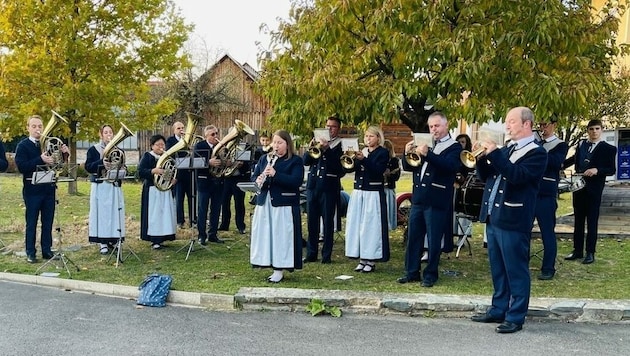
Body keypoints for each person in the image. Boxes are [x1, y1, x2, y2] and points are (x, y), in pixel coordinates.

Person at [471, 107, 547, 334]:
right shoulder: (507, 149)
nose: (507, 126)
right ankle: (499, 308)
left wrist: (494, 154)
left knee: (516, 269)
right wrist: (482, 158)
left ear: (527, 124)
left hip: (514, 218)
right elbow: (487, 176)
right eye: (507, 122)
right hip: (494, 217)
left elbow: (517, 176)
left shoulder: (537, 153)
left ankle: (515, 316)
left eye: (512, 122)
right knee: (498, 268)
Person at [397, 112, 462, 288]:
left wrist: (428, 154)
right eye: (431, 126)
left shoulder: (454, 147)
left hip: (437, 199)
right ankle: (411, 272)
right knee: (414, 237)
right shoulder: (424, 144)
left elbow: (450, 167)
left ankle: (431, 274)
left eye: (437, 126)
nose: (434, 130)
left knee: (434, 240)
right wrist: (406, 153)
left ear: (446, 125)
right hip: (419, 198)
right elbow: (409, 167)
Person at [250, 130, 304, 283]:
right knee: (267, 235)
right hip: (265, 203)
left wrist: (275, 174)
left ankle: (279, 269)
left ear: (287, 144)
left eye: (280, 143)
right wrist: (259, 180)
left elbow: (296, 181)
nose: (276, 146)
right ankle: (267, 261)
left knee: (281, 237)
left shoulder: (295, 161)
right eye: (275, 142)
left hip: (283, 205)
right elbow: (254, 176)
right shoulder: (264, 159)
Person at [14, 114, 69, 263]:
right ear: (28, 128)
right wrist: (40, 159)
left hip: (49, 189)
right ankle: (30, 252)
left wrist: (64, 155)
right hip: (32, 191)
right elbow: (22, 167)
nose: (37, 129)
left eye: (40, 126)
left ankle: (47, 250)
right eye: (34, 126)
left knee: (48, 222)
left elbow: (58, 167)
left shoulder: (49, 144)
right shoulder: (23, 145)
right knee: (31, 223)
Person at [562, 119, 617, 264]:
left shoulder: (609, 149)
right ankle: (577, 250)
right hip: (578, 187)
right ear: (588, 131)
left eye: (597, 129)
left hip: (594, 189)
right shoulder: (581, 145)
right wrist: (558, 165)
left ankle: (590, 252)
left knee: (592, 221)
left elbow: (611, 170)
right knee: (578, 220)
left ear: (601, 130)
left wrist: (597, 170)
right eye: (591, 129)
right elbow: (574, 160)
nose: (594, 132)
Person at [344, 125, 390, 273]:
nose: (368, 139)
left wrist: (363, 160)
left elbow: (378, 170)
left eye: (371, 136)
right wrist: (350, 158)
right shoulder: (362, 151)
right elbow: (350, 169)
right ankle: (361, 258)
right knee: (357, 225)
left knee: (371, 226)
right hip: (359, 191)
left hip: (373, 192)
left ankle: (371, 258)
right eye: (366, 136)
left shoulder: (382, 153)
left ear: (378, 138)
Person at [303, 116, 345, 264]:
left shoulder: (341, 145)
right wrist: (311, 148)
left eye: (333, 126)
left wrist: (327, 149)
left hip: (329, 187)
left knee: (328, 222)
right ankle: (311, 253)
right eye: (327, 126)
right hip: (313, 186)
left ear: (338, 129)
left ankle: (326, 255)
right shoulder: (317, 142)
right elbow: (306, 161)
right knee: (312, 221)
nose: (329, 129)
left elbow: (340, 169)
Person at [534, 118, 568, 279]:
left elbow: (556, 162)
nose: (542, 128)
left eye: (545, 125)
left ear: (554, 125)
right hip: (530, 192)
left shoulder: (560, 145)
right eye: (540, 125)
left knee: (547, 232)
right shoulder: (535, 142)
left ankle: (548, 268)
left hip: (546, 193)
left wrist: (538, 151)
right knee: (523, 231)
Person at [84, 125, 126, 255]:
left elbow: (124, 166)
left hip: (113, 186)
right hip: (100, 185)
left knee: (114, 214)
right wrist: (101, 162)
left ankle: (114, 240)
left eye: (110, 132)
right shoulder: (93, 149)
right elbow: (88, 167)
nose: (108, 135)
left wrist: (122, 169)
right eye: (106, 132)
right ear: (101, 134)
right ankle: (102, 242)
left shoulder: (118, 150)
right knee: (101, 215)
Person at [138, 134, 177, 249]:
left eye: (163, 145)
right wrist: (153, 171)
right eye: (158, 145)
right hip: (152, 189)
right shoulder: (148, 156)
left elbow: (171, 171)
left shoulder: (167, 157)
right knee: (154, 215)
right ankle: (154, 239)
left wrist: (172, 179)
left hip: (165, 189)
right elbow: (140, 172)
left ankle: (163, 237)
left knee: (164, 213)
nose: (161, 147)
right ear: (152, 146)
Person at [195, 125, 225, 245]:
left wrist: (225, 162)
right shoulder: (200, 146)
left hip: (218, 182)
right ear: (206, 135)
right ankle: (201, 235)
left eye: (216, 133)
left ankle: (213, 234)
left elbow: (225, 160)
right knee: (202, 209)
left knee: (216, 209)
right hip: (204, 181)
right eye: (212, 134)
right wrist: (208, 162)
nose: (215, 136)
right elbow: (195, 161)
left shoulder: (222, 147)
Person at [166, 121, 194, 228]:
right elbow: (170, 154)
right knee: (179, 199)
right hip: (178, 175)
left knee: (192, 198)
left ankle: (193, 220)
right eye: (178, 128)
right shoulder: (170, 140)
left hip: (189, 174)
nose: (181, 130)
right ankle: (180, 221)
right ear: (174, 130)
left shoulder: (189, 140)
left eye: (183, 128)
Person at [218, 151, 250, 234]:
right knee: (224, 203)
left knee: (239, 203)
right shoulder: (225, 149)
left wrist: (242, 164)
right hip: (226, 179)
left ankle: (240, 226)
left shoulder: (243, 148)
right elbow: (219, 161)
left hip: (239, 178)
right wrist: (225, 163)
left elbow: (249, 162)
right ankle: (224, 225)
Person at [383, 139, 401, 231]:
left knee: (389, 208)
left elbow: (397, 177)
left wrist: (389, 174)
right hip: (379, 188)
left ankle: (389, 226)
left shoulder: (394, 160)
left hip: (389, 188)